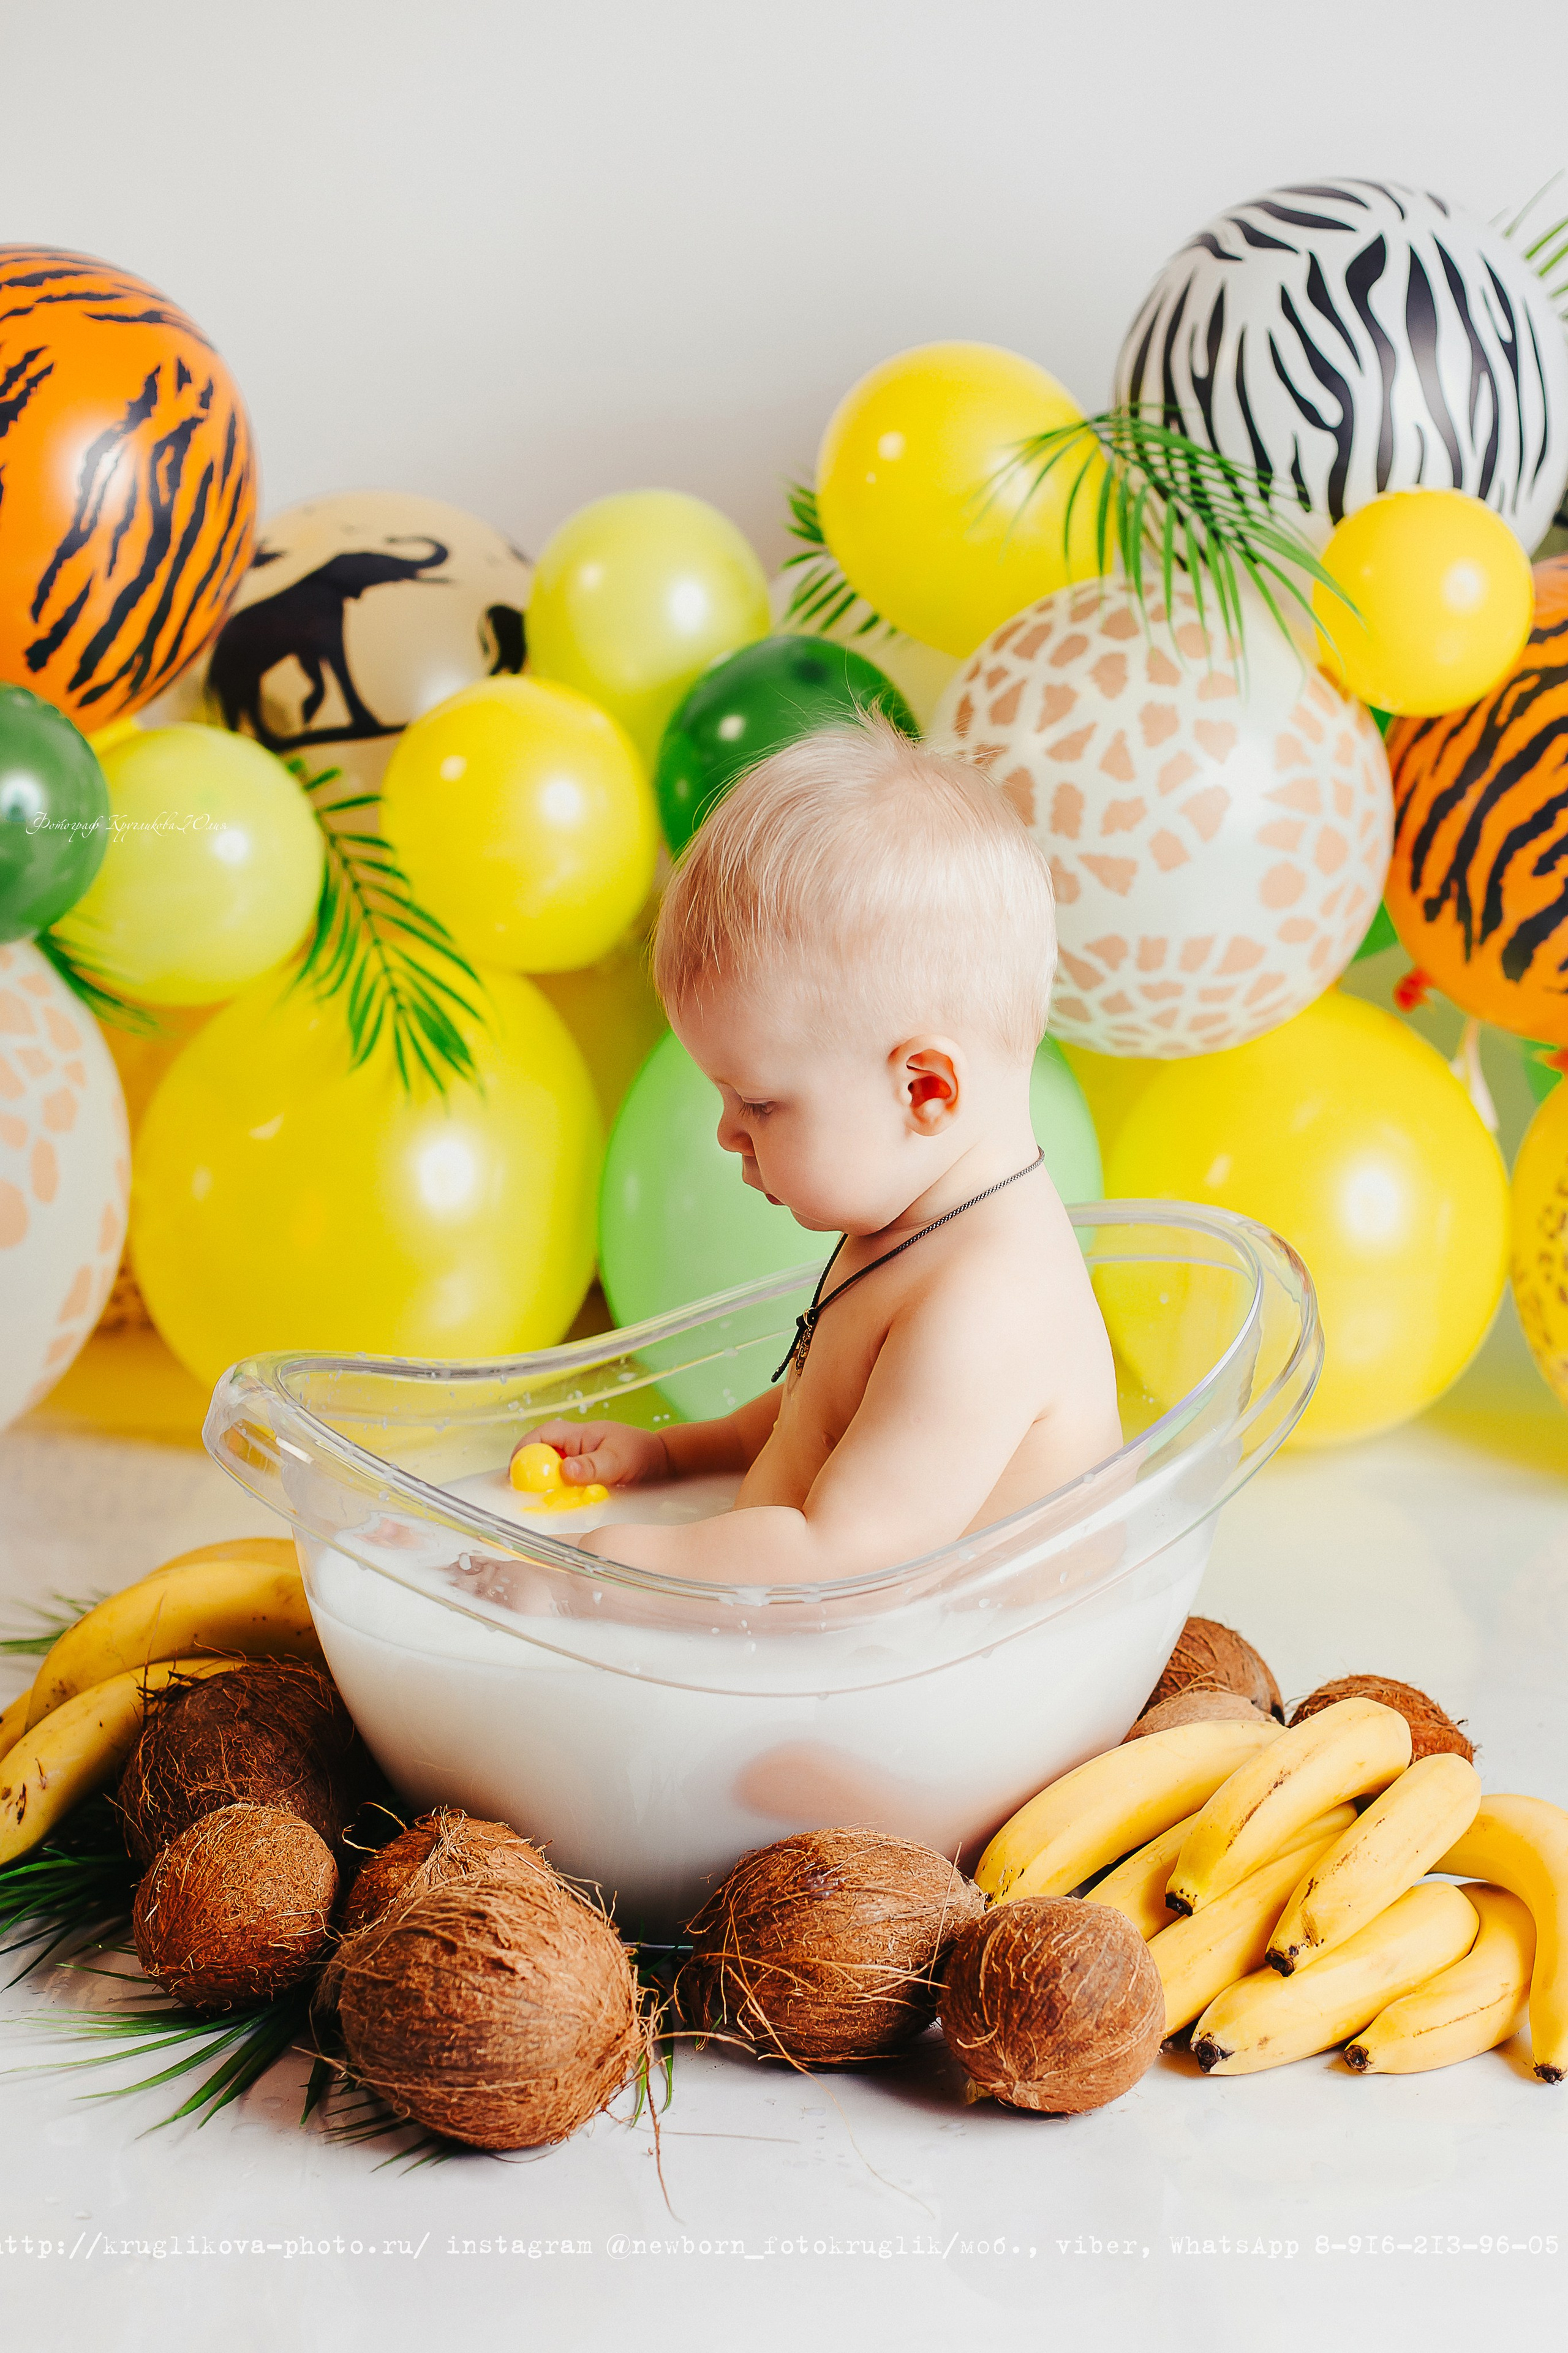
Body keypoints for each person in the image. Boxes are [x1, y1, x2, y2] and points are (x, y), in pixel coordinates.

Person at [523, 714, 1119, 1584]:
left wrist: (608, 1564)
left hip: (953, 1685)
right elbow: (820, 1412)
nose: (728, 1131)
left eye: (758, 1101)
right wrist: (671, 1456)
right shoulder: (920, 1221)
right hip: (827, 1634)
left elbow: (841, 1559)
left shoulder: (986, 1309)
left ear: (925, 1090)